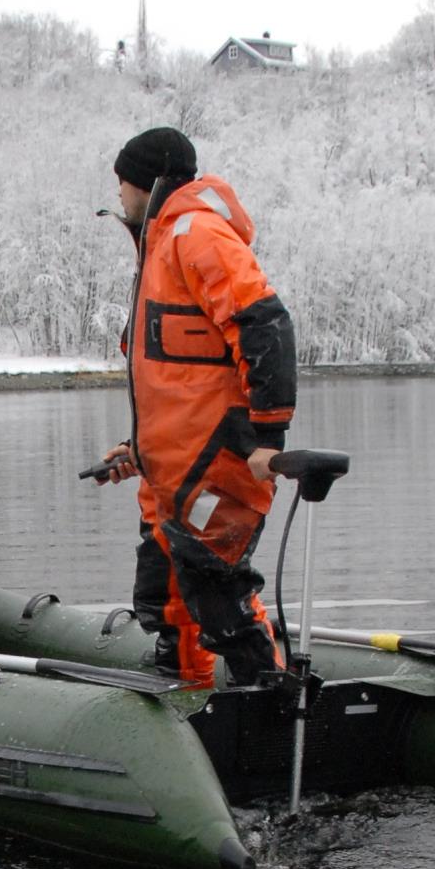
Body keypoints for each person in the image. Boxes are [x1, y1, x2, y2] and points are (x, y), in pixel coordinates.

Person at [101, 126, 297, 687]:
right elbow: (176, 379)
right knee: (164, 591)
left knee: (214, 585)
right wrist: (135, 448)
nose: (118, 194)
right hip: (170, 465)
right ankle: (187, 691)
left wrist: (269, 437)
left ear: (151, 182)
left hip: (214, 458)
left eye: (124, 182)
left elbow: (264, 324)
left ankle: (270, 701)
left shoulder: (195, 234)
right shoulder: (160, 246)